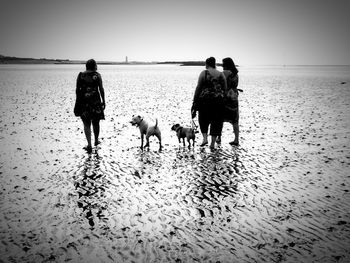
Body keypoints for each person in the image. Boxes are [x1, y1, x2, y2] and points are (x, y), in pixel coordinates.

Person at [191, 57, 227, 149]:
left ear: (207, 64)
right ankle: (212, 144)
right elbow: (225, 88)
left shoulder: (204, 73)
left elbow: (198, 87)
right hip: (218, 101)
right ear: (214, 64)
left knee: (203, 119)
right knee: (217, 122)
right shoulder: (221, 74)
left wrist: (194, 101)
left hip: (205, 101)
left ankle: (205, 138)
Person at [75, 59, 105, 153]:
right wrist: (103, 101)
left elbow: (77, 89)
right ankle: (96, 141)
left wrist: (78, 101)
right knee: (96, 122)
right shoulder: (97, 75)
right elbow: (101, 89)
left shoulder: (81, 75)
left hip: (84, 102)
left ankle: (89, 145)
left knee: (86, 123)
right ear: (94, 66)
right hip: (95, 101)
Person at [219, 57, 240, 146]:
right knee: (235, 120)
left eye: (223, 64)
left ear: (226, 65)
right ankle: (236, 139)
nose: (222, 65)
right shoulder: (236, 74)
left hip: (226, 98)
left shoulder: (225, 73)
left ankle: (218, 138)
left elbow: (221, 84)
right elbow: (235, 85)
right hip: (234, 97)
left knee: (220, 119)